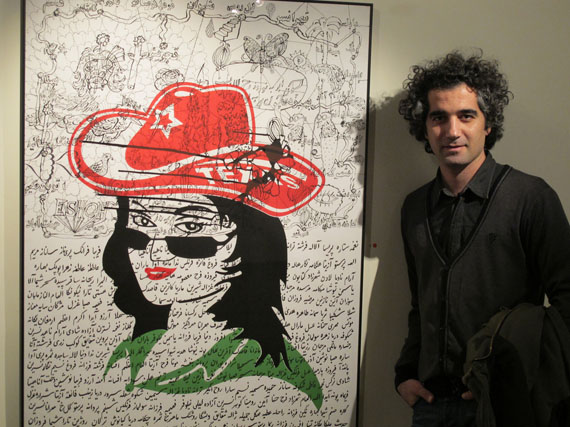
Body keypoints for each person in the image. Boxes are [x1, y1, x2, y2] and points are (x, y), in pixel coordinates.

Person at [68, 82, 325, 409]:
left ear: (239, 239)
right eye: (142, 222)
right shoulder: (136, 349)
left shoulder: (266, 382)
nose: (155, 252)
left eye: (190, 226)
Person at [394, 51, 570, 426]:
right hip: (429, 405)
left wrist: (518, 380)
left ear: (488, 124)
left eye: (466, 116)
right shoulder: (414, 208)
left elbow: (567, 302)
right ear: (424, 126)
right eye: (438, 117)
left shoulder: (531, 198)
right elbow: (420, 303)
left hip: (505, 406)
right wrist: (405, 373)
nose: (452, 130)